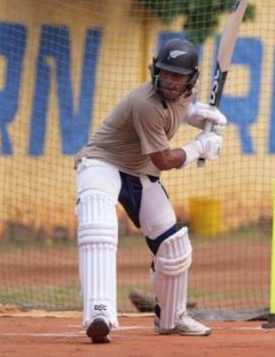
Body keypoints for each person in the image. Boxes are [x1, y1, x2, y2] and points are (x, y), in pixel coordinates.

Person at [74, 38, 227, 343]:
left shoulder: (184, 95)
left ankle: (172, 318)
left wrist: (196, 115)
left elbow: (181, 109)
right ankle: (98, 313)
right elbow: (164, 159)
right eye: (165, 73)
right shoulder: (146, 103)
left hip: (139, 172)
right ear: (156, 71)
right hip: (101, 162)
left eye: (178, 76)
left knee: (173, 247)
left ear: (190, 79)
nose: (170, 82)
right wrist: (199, 147)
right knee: (99, 227)